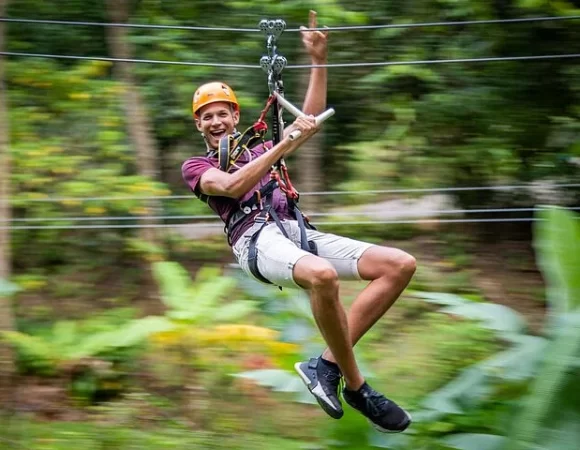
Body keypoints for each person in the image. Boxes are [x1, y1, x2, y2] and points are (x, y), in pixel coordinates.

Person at [181, 11, 416, 433]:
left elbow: (308, 119)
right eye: (208, 117)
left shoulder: (262, 148)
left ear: (236, 117)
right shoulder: (196, 165)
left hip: (297, 231)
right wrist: (282, 145)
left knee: (398, 264)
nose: (217, 122)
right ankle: (358, 387)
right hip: (255, 240)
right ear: (199, 125)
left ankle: (325, 366)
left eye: (224, 114)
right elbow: (233, 187)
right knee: (323, 276)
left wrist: (318, 61)